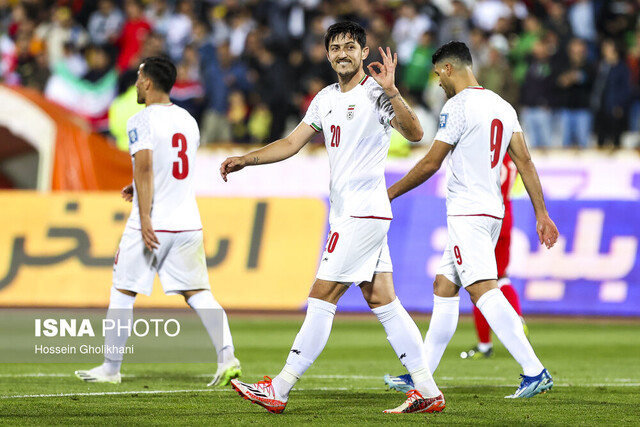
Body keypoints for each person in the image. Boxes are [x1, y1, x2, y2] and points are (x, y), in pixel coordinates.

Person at [221, 21, 445, 415]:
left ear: (363, 52)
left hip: (362, 211)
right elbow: (292, 142)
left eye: (350, 47)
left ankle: (281, 386)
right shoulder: (324, 98)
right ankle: (427, 390)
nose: (342, 53)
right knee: (383, 300)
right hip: (354, 212)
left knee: (322, 296)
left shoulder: (376, 92)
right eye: (335, 47)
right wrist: (247, 159)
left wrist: (392, 90)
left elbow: (415, 133)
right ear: (327, 55)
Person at [382, 41, 558, 399]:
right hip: (491, 210)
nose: (438, 83)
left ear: (448, 69)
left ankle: (534, 370)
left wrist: (388, 193)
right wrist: (542, 213)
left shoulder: (457, 106)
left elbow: (431, 162)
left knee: (482, 290)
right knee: (445, 286)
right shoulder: (501, 105)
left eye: (437, 75)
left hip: (468, 211)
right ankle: (423, 375)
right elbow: (524, 161)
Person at [75, 56, 241, 387]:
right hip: (187, 222)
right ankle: (228, 358)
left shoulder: (141, 120)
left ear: (148, 82)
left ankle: (111, 368)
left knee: (122, 291)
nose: (135, 83)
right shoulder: (188, 120)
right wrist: (137, 188)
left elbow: (147, 166)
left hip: (152, 223)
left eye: (138, 78)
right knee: (198, 293)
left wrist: (144, 214)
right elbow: (173, 168)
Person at [461, 154, 528, 360]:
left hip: (486, 219)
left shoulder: (488, 151)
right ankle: (516, 316)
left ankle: (484, 344)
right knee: (501, 276)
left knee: (478, 281)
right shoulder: (512, 156)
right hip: (507, 215)